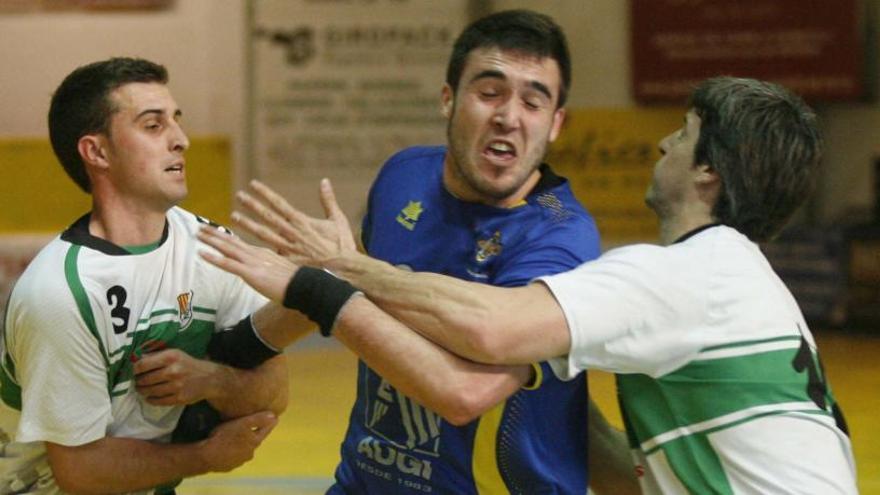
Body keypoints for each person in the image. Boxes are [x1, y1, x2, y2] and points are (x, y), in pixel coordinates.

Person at [200, 76, 859, 494]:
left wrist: (341, 270)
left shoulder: (686, 273)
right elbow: (628, 472)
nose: (662, 143)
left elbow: (492, 327)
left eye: (683, 134)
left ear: (709, 173)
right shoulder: (734, 279)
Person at [216, 9, 635, 495]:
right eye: (489, 92)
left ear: (556, 123)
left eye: (534, 102)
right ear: (448, 99)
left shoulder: (558, 238)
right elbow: (347, 289)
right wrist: (232, 351)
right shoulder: (405, 175)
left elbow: (466, 393)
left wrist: (326, 277)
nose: (508, 116)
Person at [0, 57, 294, 494]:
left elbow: (273, 393)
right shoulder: (61, 292)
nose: (182, 141)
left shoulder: (209, 246)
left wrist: (210, 380)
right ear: (97, 152)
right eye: (153, 126)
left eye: (177, 121)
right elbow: (80, 472)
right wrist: (205, 456)